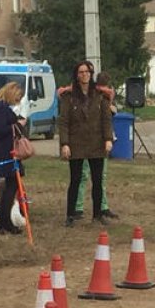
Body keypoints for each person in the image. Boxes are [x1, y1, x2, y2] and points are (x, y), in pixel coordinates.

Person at [58, 60, 114, 225]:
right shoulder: (69, 97)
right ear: (76, 75)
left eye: (87, 72)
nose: (85, 75)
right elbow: (63, 122)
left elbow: (106, 119)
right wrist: (65, 143)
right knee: (75, 180)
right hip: (76, 143)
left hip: (96, 142)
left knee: (97, 180)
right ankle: (70, 215)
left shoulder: (99, 95)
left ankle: (98, 214)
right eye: (81, 72)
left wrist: (108, 139)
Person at [73, 72, 117, 219]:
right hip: (92, 141)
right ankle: (81, 207)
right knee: (89, 175)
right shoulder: (95, 96)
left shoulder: (103, 98)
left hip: (98, 141)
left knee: (95, 176)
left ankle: (97, 206)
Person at [0, 81, 25, 235]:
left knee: (10, 185)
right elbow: (2, 129)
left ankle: (3, 220)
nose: (18, 101)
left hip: (1, 149)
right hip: (6, 151)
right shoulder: (1, 108)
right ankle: (4, 221)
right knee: (11, 186)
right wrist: (18, 125)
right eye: (18, 97)